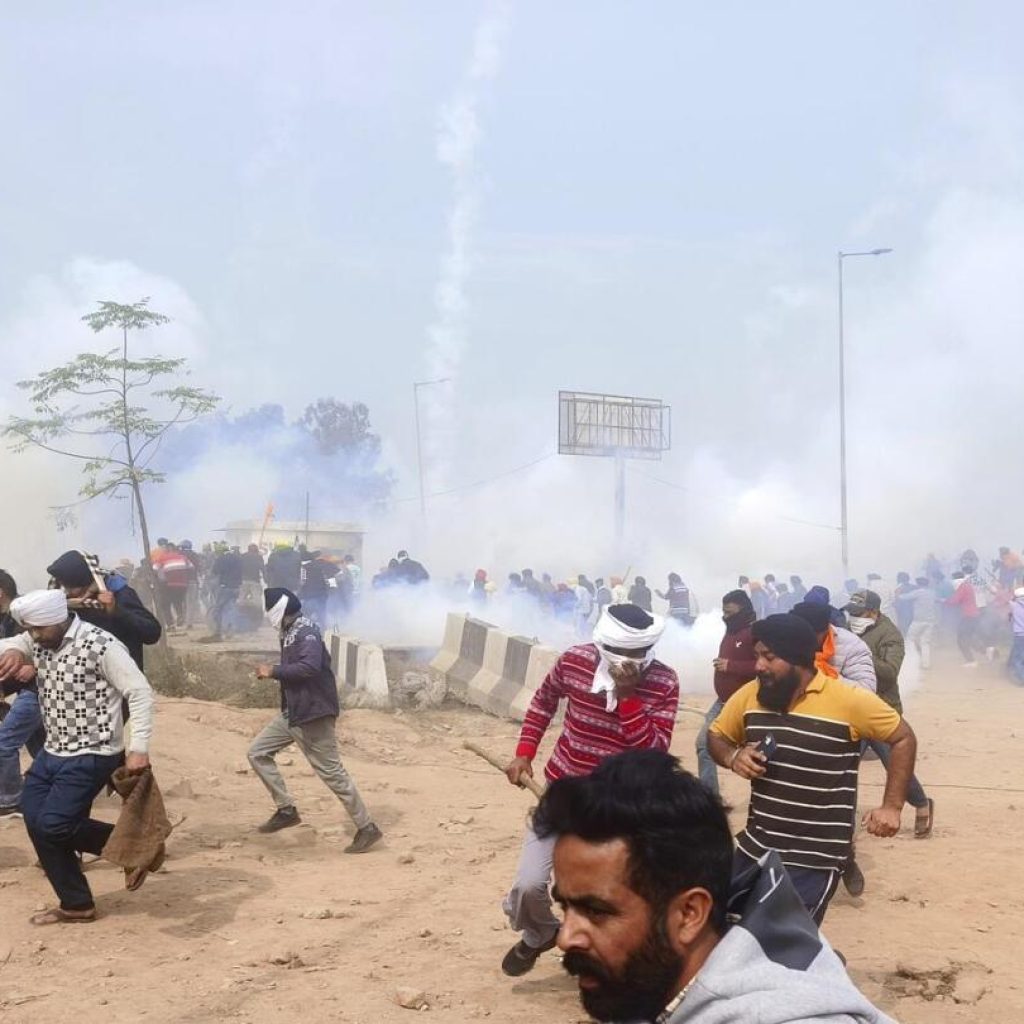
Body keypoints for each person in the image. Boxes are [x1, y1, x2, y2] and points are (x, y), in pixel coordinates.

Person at [538, 749, 895, 1024]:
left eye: (596, 911)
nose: (565, 938)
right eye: (564, 907)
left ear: (690, 913)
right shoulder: (656, 982)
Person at [501, 604, 679, 978]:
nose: (631, 660)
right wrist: (524, 753)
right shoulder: (574, 661)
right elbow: (543, 702)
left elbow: (653, 752)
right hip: (561, 794)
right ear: (603, 643)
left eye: (639, 653)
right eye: (624, 652)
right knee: (528, 886)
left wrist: (628, 697)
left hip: (620, 809)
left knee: (607, 897)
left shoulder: (664, 682)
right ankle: (540, 933)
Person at [707, 614, 918, 924]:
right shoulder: (752, 695)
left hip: (815, 855)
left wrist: (892, 806)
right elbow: (716, 736)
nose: (758, 666)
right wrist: (732, 756)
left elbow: (902, 738)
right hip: (757, 845)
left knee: (778, 942)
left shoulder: (847, 698)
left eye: (769, 657)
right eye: (757, 656)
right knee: (719, 926)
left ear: (798, 660)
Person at [0, 590, 157, 924]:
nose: (34, 636)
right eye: (30, 630)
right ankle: (76, 903)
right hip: (54, 749)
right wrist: (13, 648)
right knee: (33, 816)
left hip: (94, 751)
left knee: (54, 825)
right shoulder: (40, 637)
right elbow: (17, 642)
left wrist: (139, 748)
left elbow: (139, 692)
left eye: (37, 629)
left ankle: (136, 845)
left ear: (57, 620)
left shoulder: (101, 645)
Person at [249, 588, 382, 853]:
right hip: (295, 712)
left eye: (268, 609)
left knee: (332, 773)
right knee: (257, 753)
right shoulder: (288, 630)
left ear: (280, 610)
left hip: (313, 713)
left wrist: (273, 671)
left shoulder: (305, 632)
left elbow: (309, 667)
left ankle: (366, 827)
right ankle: (286, 810)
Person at [843, 590, 934, 841]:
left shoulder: (890, 635)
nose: (853, 617)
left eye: (858, 613)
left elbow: (890, 672)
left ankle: (922, 803)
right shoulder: (848, 631)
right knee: (844, 766)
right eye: (850, 613)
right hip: (852, 709)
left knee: (894, 764)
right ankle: (842, 821)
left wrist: (859, 654)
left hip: (882, 710)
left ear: (873, 612)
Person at [46, 550, 162, 670]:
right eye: (65, 587)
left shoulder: (119, 594)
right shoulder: (70, 604)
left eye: (71, 587)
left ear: (85, 581)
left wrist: (116, 611)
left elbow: (152, 633)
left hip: (122, 676)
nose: (68, 592)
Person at [696, 590, 757, 797]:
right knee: (704, 746)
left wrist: (731, 666)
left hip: (745, 704)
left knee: (761, 754)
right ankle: (710, 797)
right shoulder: (730, 632)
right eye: (724, 612)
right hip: (722, 702)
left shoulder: (752, 633)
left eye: (730, 612)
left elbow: (763, 665)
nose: (726, 616)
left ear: (743, 610)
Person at [0, 570, 44, 817]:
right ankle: (45, 787)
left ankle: (10, 800)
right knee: (41, 747)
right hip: (26, 690)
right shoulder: (6, 618)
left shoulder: (25, 613)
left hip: (39, 688)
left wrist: (34, 666)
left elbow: (55, 647)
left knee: (4, 742)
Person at [790, 601, 876, 692]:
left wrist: (823, 674)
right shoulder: (788, 641)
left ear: (825, 630)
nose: (803, 640)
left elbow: (867, 690)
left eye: (809, 636)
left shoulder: (852, 646)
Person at [902, 577, 938, 670]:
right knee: (925, 643)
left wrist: (897, 591)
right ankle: (926, 665)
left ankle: (911, 661)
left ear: (918, 584)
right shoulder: (932, 592)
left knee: (910, 639)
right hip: (930, 620)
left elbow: (903, 597)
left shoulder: (917, 592)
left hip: (918, 620)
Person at [946, 571, 981, 666]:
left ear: (956, 579)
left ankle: (971, 661)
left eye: (952, 579)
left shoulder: (963, 586)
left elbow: (954, 600)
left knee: (961, 639)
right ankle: (988, 650)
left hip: (969, 616)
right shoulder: (967, 585)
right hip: (973, 615)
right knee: (968, 638)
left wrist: (944, 600)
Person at [1009, 587, 1024, 684]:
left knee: (1018, 658)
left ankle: (1022, 678)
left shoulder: (1014, 606)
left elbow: (1010, 600)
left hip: (1020, 635)